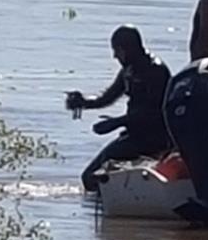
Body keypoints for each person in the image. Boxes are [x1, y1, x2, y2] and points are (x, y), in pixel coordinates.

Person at [66, 25, 172, 192]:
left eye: (118, 50)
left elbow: (155, 113)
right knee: (90, 177)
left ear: (129, 48)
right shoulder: (128, 71)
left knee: (91, 177)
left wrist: (117, 122)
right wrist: (84, 102)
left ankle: (116, 203)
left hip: (153, 137)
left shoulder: (155, 71)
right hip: (134, 135)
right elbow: (107, 97)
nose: (115, 56)